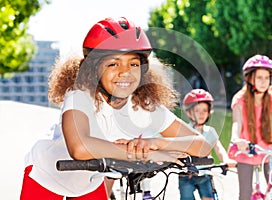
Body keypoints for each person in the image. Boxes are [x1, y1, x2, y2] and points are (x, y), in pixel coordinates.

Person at [20, 17, 212, 200]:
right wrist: (145, 155)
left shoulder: (142, 103)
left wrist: (155, 143)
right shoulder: (80, 95)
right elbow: (79, 147)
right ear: (93, 68)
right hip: (47, 174)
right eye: (113, 63)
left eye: (134, 64)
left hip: (89, 182)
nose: (125, 72)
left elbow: (202, 145)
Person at [228, 54, 272, 200]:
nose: (264, 82)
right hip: (246, 150)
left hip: (268, 150)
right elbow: (237, 123)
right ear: (249, 78)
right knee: (245, 194)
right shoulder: (240, 99)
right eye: (259, 77)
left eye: (267, 78)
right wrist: (236, 139)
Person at [178, 89, 237, 200]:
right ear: (189, 112)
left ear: (209, 112)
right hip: (187, 175)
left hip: (205, 173)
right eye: (197, 110)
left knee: (209, 197)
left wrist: (226, 160)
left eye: (205, 110)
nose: (201, 114)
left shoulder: (210, 131)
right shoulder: (185, 130)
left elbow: (218, 148)